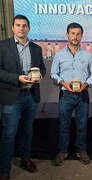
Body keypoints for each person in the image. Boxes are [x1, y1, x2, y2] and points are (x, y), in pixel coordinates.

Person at [0, 14, 46, 180]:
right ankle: (4, 170)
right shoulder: (2, 46)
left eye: (24, 25)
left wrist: (40, 75)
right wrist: (17, 78)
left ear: (29, 28)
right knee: (9, 134)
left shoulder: (36, 48)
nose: (21, 28)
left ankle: (25, 160)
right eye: (18, 25)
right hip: (12, 97)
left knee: (27, 131)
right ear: (13, 28)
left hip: (31, 96)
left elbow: (42, 68)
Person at [50, 23, 92, 166]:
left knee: (82, 125)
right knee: (64, 125)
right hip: (65, 96)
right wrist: (64, 84)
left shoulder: (88, 55)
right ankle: (63, 151)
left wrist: (85, 84)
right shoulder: (59, 55)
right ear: (67, 35)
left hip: (83, 95)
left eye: (78, 34)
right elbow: (53, 73)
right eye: (72, 33)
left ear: (81, 36)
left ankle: (81, 150)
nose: (75, 37)